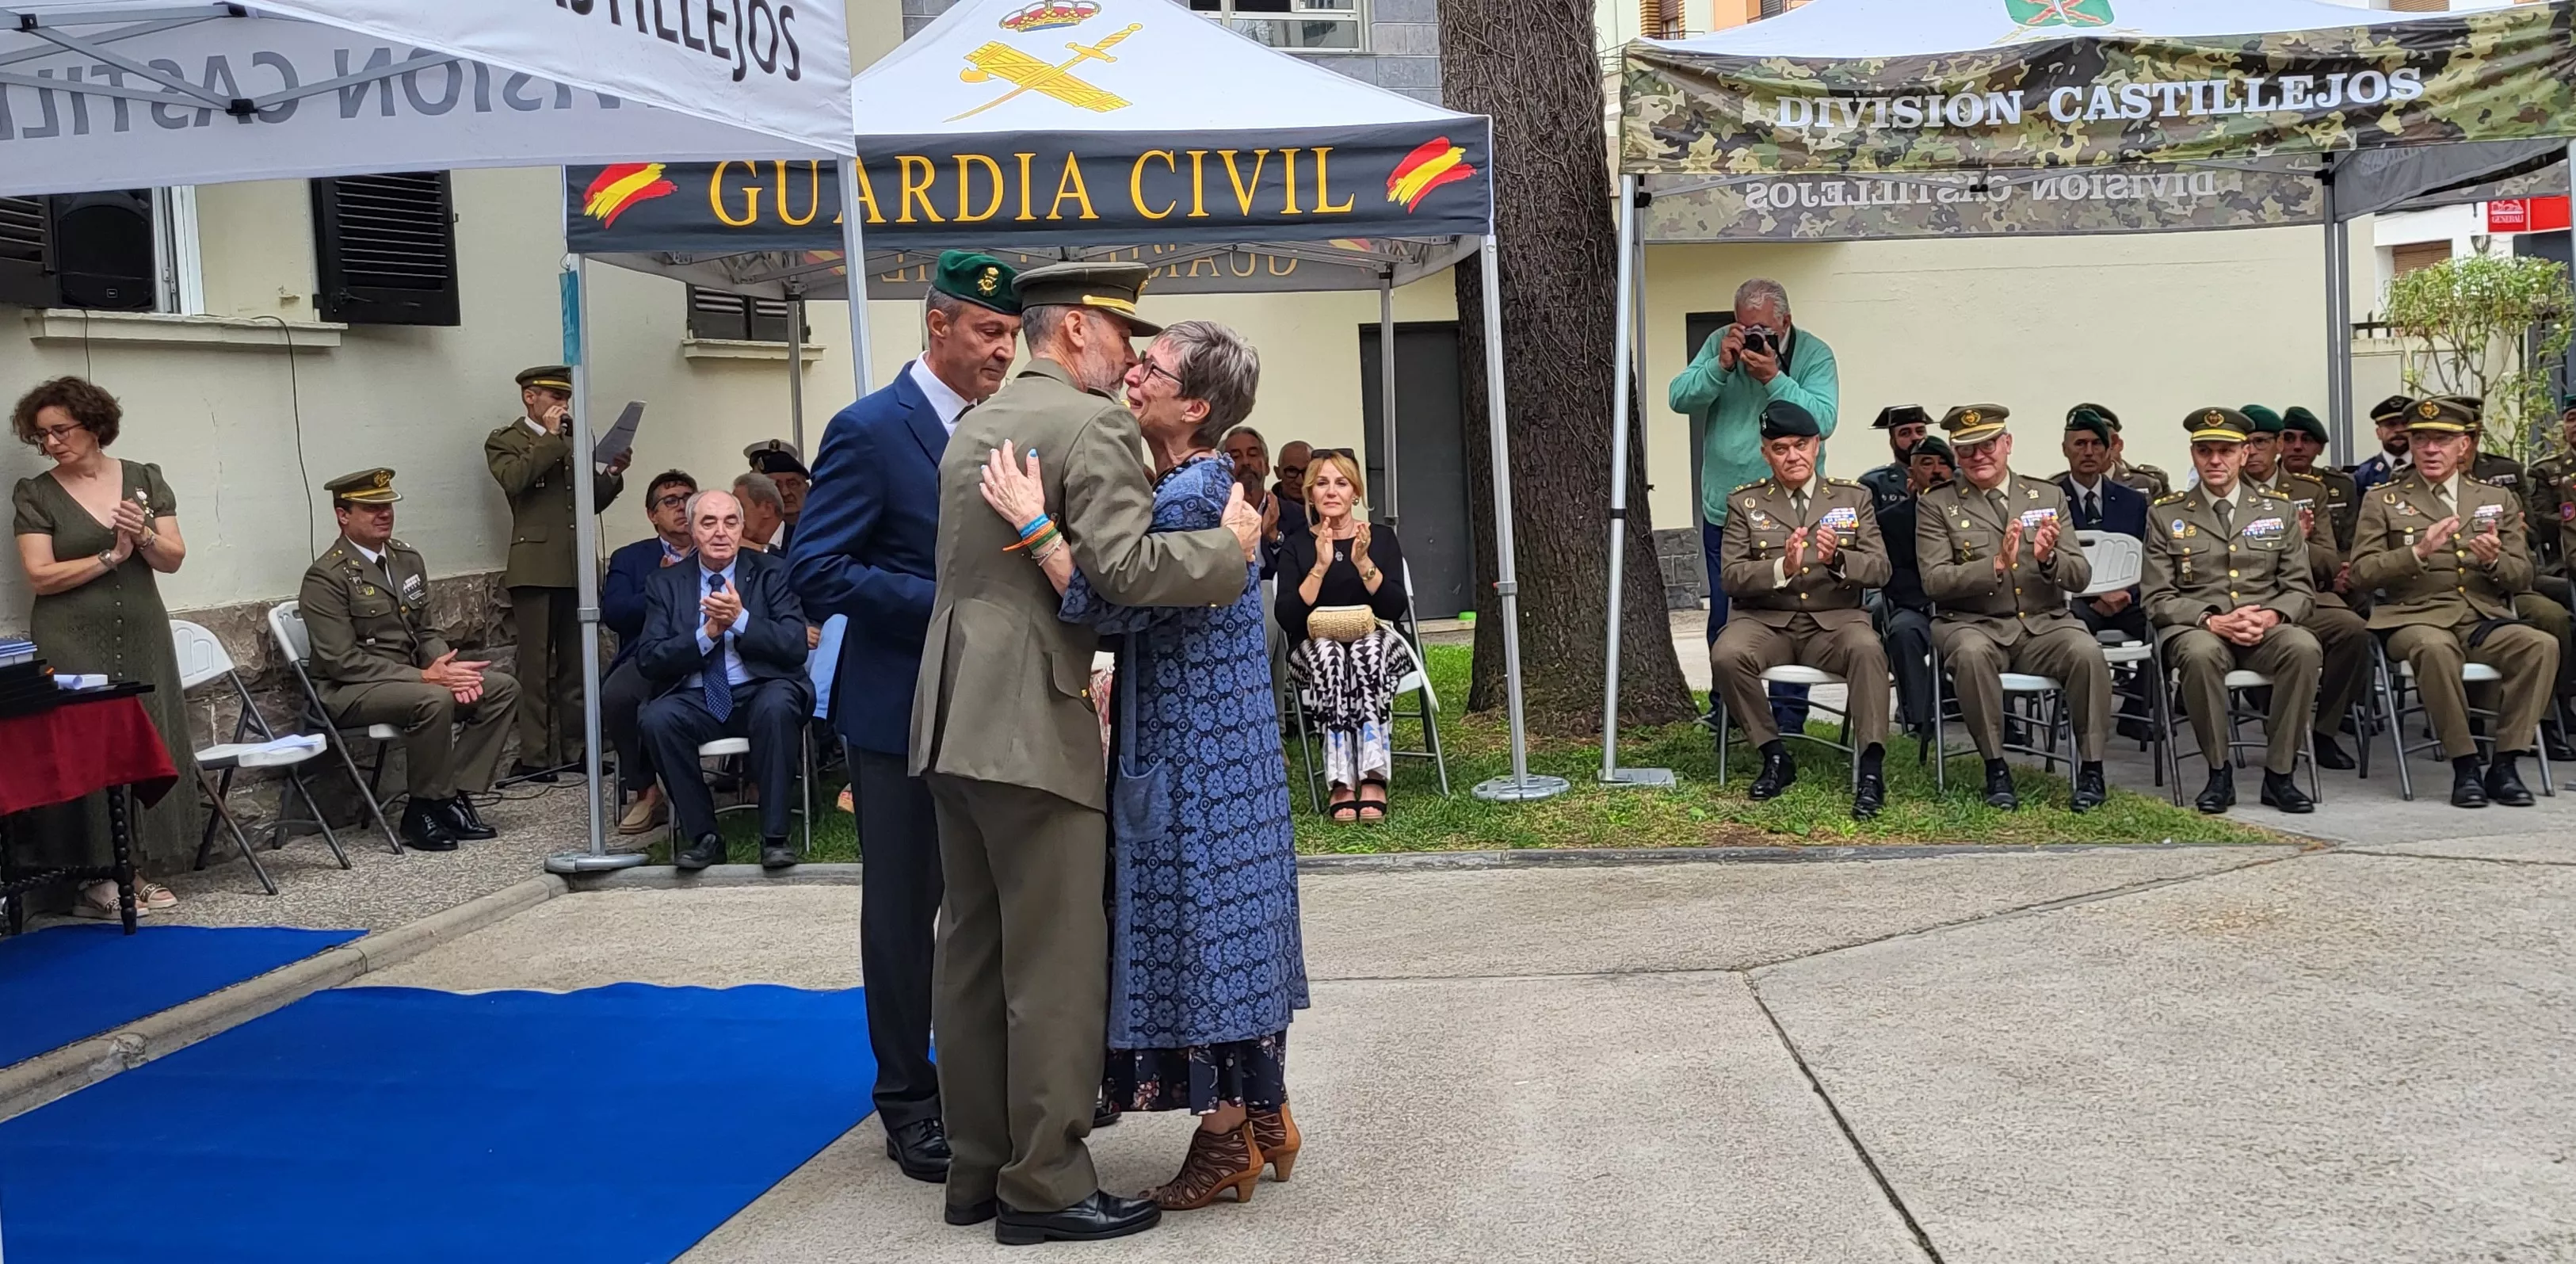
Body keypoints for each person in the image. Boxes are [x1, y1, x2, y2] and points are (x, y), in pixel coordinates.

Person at [909, 262, 1261, 1246]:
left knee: (970, 953)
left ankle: (978, 1168)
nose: (1129, 359)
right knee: (1056, 964)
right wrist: (1230, 551)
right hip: (1029, 717)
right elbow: (1127, 568)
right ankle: (1048, 1184)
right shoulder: (1089, 422)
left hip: (949, 713)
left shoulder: (978, 418)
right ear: (1074, 331)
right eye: (1121, 336)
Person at [979, 318, 1307, 1213]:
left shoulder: (1189, 493)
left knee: (1199, 938)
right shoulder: (1207, 485)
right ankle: (1266, 1116)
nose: (1132, 373)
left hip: (1192, 751)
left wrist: (1031, 518)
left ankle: (1223, 1139)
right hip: (1224, 748)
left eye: (1152, 369)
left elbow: (1108, 600)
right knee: (1236, 931)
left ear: (1194, 404)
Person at [792, 249, 1023, 1186]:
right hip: (894, 712)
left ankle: (980, 1081)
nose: (1002, 351)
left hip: (987, 706)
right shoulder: (867, 430)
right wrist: (939, 598)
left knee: (986, 901)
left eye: (1010, 335)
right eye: (987, 332)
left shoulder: (1004, 425)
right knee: (902, 909)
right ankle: (906, 1098)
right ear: (937, 325)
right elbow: (817, 568)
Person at [10, 376, 200, 916]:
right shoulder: (37, 493)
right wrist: (109, 558)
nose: (51, 443)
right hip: (70, 633)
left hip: (143, 628)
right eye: (41, 436)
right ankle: (97, 877)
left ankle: (140, 865)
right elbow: (40, 576)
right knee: (88, 744)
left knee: (151, 730)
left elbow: (172, 557)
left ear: (94, 426)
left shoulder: (142, 479)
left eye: (60, 430)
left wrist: (140, 535)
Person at [2349, 397, 2559, 808]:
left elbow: (2523, 575)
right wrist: (2417, 553)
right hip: (2415, 617)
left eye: (2442, 440)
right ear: (2409, 442)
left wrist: (2494, 560)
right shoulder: (2383, 500)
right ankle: (2465, 766)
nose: (2430, 449)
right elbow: (2361, 573)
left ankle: (2505, 764)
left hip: (2481, 616)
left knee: (2540, 645)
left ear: (2463, 446)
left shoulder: (2494, 498)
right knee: (2434, 649)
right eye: (2421, 439)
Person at [300, 468, 520, 851]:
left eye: (387, 505)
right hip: (351, 690)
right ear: (342, 515)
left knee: (501, 689)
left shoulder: (405, 559)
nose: (383, 513)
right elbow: (342, 661)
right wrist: (427, 678)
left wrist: (444, 667)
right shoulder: (326, 577)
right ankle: (421, 812)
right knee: (433, 700)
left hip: (412, 678)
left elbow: (426, 631)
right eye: (370, 507)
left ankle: (449, 797)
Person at [1917, 404, 2112, 812]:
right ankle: (1996, 767)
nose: (1979, 456)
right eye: (1967, 449)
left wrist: (2047, 560)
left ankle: (2091, 769)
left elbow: (2080, 576)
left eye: (1988, 444)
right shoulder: (1937, 504)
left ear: (2007, 444)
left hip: (2043, 622)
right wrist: (1995, 566)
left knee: (2087, 653)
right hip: (1972, 622)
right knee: (1970, 655)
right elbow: (1934, 581)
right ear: (1955, 453)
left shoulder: (2047, 495)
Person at [1670, 278, 1839, 740]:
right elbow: (1679, 398)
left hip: (1793, 512)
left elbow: (1823, 420)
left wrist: (1773, 378)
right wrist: (1720, 367)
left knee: (1791, 613)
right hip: (1726, 509)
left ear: (1785, 321)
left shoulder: (1814, 354)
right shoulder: (1718, 345)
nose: (1752, 337)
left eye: (1762, 328)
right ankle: (1728, 710)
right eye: (1744, 327)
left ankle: (1787, 718)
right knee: (1725, 614)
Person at [1710, 399, 1894, 819]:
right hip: (1765, 621)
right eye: (1780, 448)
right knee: (1727, 654)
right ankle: (1774, 754)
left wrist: (1837, 562)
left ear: (1816, 446)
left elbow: (1881, 569)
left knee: (1868, 650)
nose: (1791, 456)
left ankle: (1870, 767)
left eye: (1799, 445)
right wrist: (1782, 567)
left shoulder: (1854, 497)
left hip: (1834, 623)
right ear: (1765, 453)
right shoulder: (1745, 503)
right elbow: (1731, 577)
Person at [2141, 410, 2320, 815]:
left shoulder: (2279, 509)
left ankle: (2280, 773)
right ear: (2193, 454)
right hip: (2199, 627)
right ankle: (2218, 772)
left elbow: (2299, 589)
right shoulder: (2166, 513)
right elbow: (2156, 597)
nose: (2215, 460)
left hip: (2264, 627)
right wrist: (2210, 619)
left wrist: (2271, 617)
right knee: (2200, 656)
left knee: (2304, 648)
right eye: (2206, 451)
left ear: (2244, 453)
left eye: (2225, 451)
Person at [635, 489, 811, 870]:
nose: (721, 532)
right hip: (697, 696)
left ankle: (775, 838)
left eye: (730, 522)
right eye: (709, 522)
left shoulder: (773, 573)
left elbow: (795, 646)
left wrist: (741, 621)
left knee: (778, 705)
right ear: (693, 530)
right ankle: (705, 837)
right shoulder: (665, 583)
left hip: (761, 688)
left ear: (742, 527)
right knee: (657, 719)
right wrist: (708, 634)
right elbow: (649, 659)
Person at [486, 365, 629, 781]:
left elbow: (590, 502)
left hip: (574, 563)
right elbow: (515, 480)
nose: (562, 405)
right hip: (534, 565)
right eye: (554, 397)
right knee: (534, 667)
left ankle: (578, 749)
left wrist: (612, 474)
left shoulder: (570, 439)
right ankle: (533, 757)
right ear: (530, 397)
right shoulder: (506, 440)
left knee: (576, 665)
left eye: (565, 398)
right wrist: (550, 440)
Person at [1277, 450, 1417, 822]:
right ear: (1310, 493)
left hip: (1379, 640)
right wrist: (1320, 567)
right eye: (1321, 483)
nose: (1331, 491)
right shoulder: (1296, 545)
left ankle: (1372, 776)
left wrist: (1362, 563)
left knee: (1366, 651)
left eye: (1341, 483)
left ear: (1355, 492)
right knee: (1330, 655)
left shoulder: (1381, 539)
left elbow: (1393, 608)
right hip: (1314, 648)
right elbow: (1288, 616)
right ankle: (1341, 780)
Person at [2264, 410, 2372, 769]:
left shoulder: (2310, 492)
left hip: (2302, 593)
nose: (2252, 452)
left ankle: (2324, 732)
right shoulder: (2224, 492)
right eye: (2245, 444)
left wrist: (2298, 543)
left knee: (2352, 631)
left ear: (2274, 444)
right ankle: (2272, 720)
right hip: (2244, 598)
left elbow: (2327, 561)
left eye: (2261, 442)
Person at [602, 470, 696, 838]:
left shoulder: (718, 547)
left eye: (688, 497)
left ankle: (749, 780)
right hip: (649, 654)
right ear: (651, 515)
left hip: (710, 651)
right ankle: (646, 790)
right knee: (618, 695)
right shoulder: (631, 558)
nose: (681, 507)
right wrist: (661, 587)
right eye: (670, 501)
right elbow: (616, 613)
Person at [1874, 436, 1950, 739]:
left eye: (1943, 464)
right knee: (1902, 631)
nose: (1936, 471)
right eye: (1927, 464)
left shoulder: (1973, 516)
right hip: (1917, 607)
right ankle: (1920, 719)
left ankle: (2004, 722)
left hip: (1968, 609)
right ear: (1911, 475)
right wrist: (1932, 597)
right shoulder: (1890, 521)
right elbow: (1892, 576)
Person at [2277, 407, 2360, 551]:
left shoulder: (2341, 486)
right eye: (2289, 439)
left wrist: (2341, 566)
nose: (2298, 447)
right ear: (2278, 445)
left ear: (2320, 448)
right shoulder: (2263, 484)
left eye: (2307, 440)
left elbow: (2352, 542)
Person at [2069, 403, 2172, 500]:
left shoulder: (2147, 483)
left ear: (2115, 443)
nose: (2088, 452)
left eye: (2097, 442)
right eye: (2080, 443)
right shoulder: (2059, 487)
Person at [1857, 404, 1931, 518]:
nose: (1915, 437)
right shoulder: (1874, 483)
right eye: (1905, 433)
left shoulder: (1949, 475)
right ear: (1892, 442)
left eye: (1920, 431)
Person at [747, 443, 811, 555]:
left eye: (793, 484)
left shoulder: (822, 531)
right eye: (776, 486)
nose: (785, 493)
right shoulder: (747, 533)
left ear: (807, 488)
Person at [2350, 394, 2416, 494]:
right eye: (2391, 425)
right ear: (2379, 433)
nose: (2399, 430)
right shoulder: (2363, 475)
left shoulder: (2427, 468)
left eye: (2404, 424)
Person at [734, 470, 788, 551]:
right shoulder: (738, 548)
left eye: (740, 509)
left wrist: (760, 549)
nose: (734, 517)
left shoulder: (800, 538)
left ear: (767, 509)